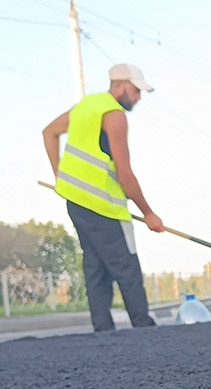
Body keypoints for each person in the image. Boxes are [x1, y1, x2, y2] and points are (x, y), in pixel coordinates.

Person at [42, 63, 164, 332]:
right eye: (135, 90)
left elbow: (48, 132)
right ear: (119, 86)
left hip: (77, 202)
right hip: (105, 206)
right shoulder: (114, 114)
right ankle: (144, 327)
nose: (138, 97)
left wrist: (60, 178)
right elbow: (124, 173)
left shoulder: (86, 105)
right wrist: (148, 213)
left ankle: (103, 331)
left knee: (95, 266)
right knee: (126, 265)